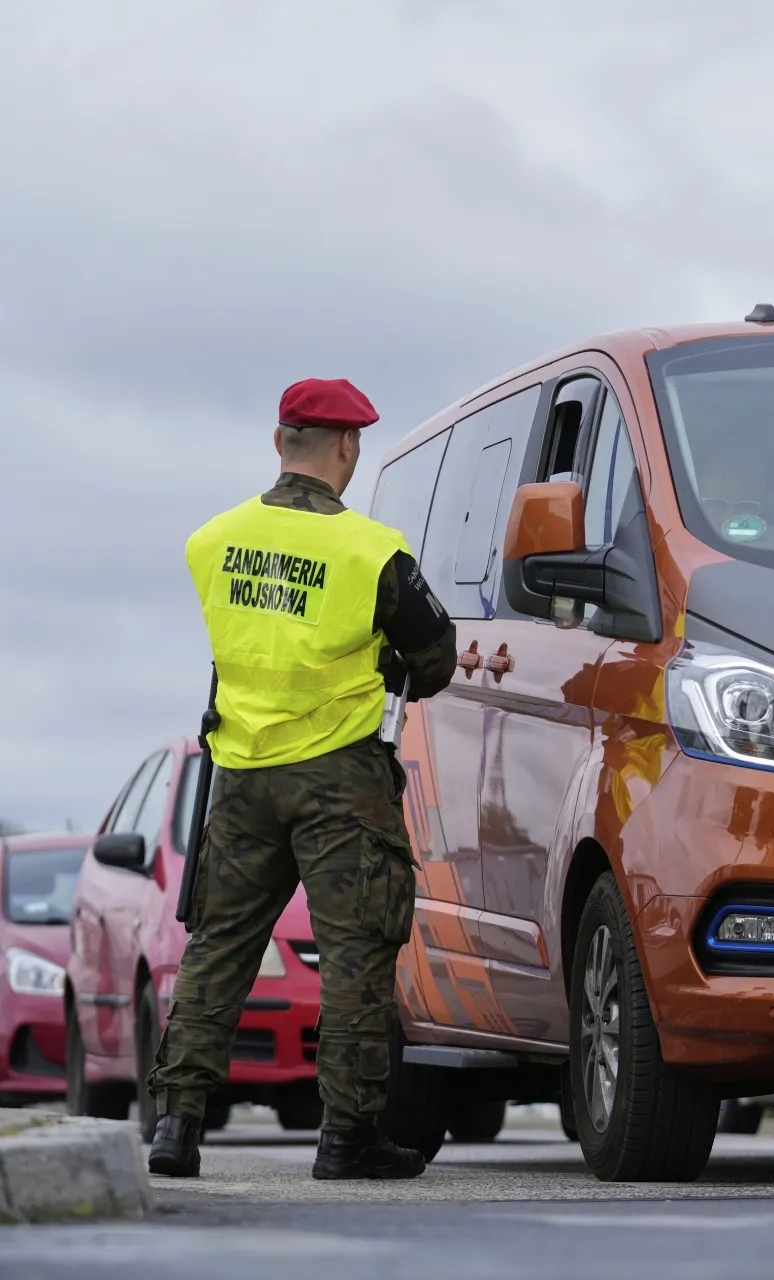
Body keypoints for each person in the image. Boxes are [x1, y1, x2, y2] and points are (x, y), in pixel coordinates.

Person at [147, 378, 457, 1180]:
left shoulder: (210, 541)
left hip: (242, 773)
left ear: (280, 442)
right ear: (347, 447)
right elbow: (435, 659)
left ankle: (176, 1128)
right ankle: (346, 1138)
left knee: (218, 949)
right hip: (338, 779)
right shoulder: (370, 551)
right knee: (355, 955)